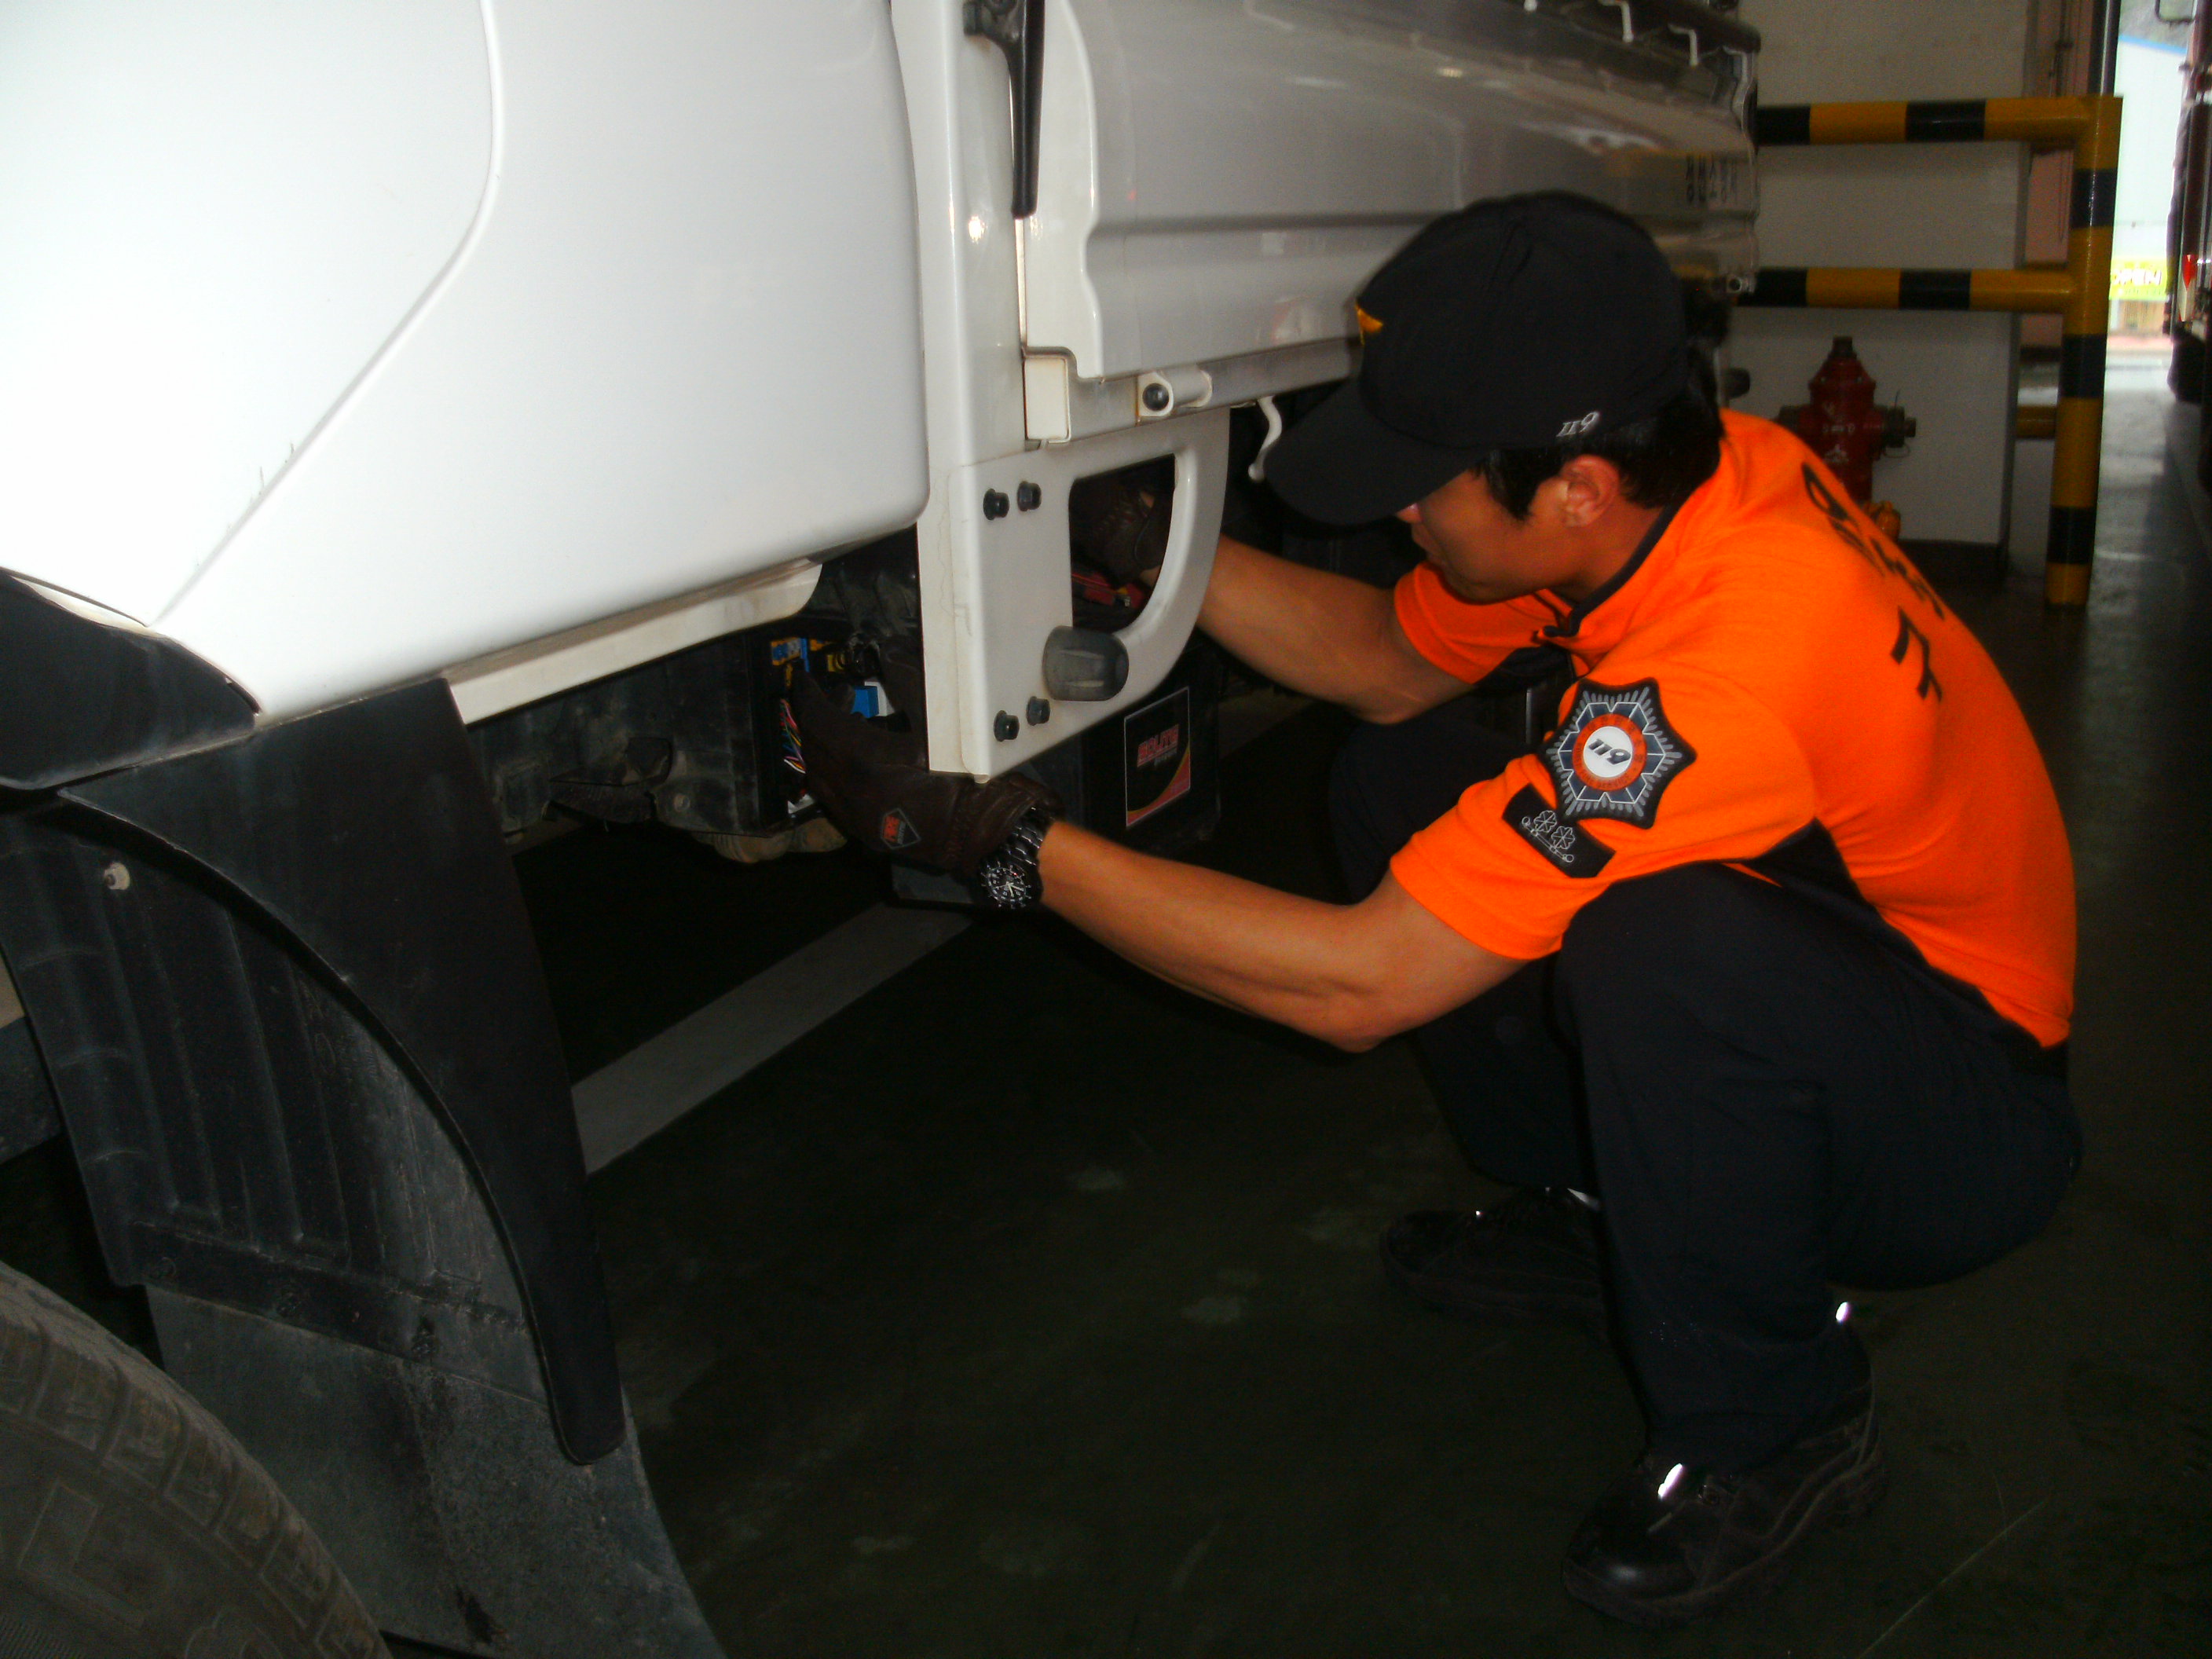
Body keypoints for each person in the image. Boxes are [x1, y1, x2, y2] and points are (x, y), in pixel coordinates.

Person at [792, 192, 2080, 1628]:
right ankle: (1598, 1220)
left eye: (1425, 482)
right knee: (1401, 774)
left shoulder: (1734, 664)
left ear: (1575, 488)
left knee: (1667, 955)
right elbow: (1387, 660)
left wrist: (1000, 841)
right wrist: (1157, 551)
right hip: (1848, 980)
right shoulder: (1692, 486)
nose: (1400, 509)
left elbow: (1362, 985)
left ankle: (1781, 1419)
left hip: (1961, 1117)